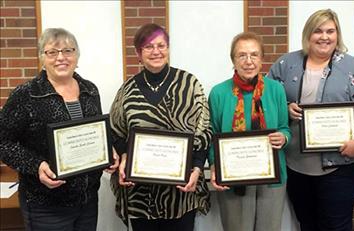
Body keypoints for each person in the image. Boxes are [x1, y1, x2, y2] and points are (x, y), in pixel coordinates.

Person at [268, 9, 354, 231]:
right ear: (308, 34)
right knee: (307, 222)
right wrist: (284, 108)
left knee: (336, 224)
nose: (324, 37)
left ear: (337, 34)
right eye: (318, 31)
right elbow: (265, 98)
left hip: (341, 164)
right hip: (296, 163)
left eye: (330, 31)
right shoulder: (285, 64)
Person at [0, 28, 119, 231]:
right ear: (42, 58)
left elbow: (95, 132)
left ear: (77, 56)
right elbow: (3, 142)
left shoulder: (90, 90)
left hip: (87, 200)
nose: (61, 57)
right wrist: (36, 165)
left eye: (68, 50)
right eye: (52, 52)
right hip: (45, 205)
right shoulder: (26, 94)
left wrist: (109, 151)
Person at [109, 23, 212, 231]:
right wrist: (124, 158)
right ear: (138, 52)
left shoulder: (189, 84)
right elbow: (116, 132)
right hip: (140, 195)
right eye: (148, 47)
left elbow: (204, 131)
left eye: (161, 45)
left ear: (168, 48)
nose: (156, 51)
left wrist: (197, 169)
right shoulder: (127, 90)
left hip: (181, 193)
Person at [208, 31, 291, 231]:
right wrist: (213, 166)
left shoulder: (275, 90)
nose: (248, 61)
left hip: (272, 178)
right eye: (242, 55)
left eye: (254, 55)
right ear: (233, 60)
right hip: (232, 178)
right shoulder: (218, 93)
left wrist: (283, 138)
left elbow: (285, 128)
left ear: (262, 59)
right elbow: (212, 136)